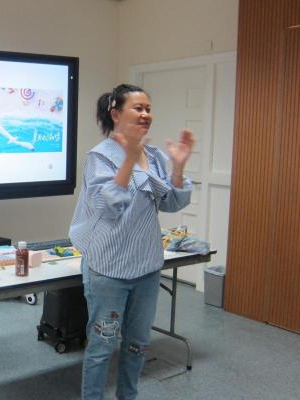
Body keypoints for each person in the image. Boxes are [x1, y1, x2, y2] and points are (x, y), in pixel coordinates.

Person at [69, 84, 195, 400]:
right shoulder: (99, 157)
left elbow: (172, 202)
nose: (145, 114)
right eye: (138, 108)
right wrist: (129, 159)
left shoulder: (154, 155)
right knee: (102, 346)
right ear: (115, 113)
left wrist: (178, 168)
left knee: (137, 344)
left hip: (146, 267)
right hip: (108, 268)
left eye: (148, 109)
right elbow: (109, 206)